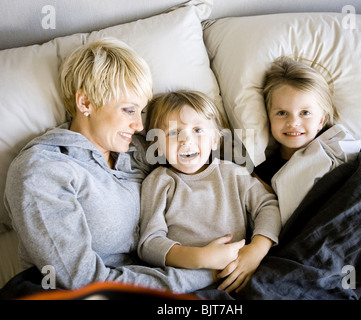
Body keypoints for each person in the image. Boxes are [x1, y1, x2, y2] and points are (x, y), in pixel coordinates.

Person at [2, 38, 214, 294]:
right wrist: (205, 272)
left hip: (167, 278)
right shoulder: (42, 171)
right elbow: (82, 279)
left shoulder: (134, 150)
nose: (138, 125)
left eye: (141, 112)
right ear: (85, 103)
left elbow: (208, 160)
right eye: (128, 110)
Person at [138, 90, 281, 294]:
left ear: (215, 140)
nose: (186, 141)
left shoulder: (233, 173)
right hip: (190, 283)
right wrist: (201, 258)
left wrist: (255, 251)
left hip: (242, 273)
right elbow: (149, 243)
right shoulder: (159, 182)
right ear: (157, 146)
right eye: (173, 132)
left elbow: (267, 206)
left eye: (197, 130)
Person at [254, 56, 361, 226]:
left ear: (321, 121)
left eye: (305, 113)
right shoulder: (263, 174)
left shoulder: (340, 147)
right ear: (268, 117)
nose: (293, 122)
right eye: (282, 113)